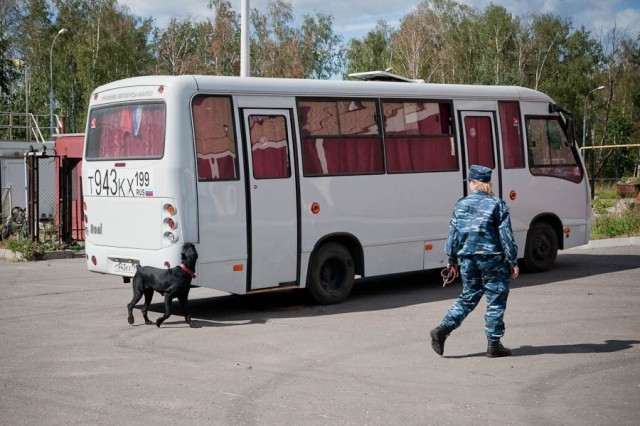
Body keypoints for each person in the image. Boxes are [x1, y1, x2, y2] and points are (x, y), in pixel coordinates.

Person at [430, 165, 519, 358]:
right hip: (492, 259)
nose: (469, 185)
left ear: (474, 183)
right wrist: (512, 260)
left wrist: (452, 259)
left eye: (470, 182)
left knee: (468, 296)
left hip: (467, 259)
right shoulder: (497, 204)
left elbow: (453, 234)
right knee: (496, 299)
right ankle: (494, 344)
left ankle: (443, 329)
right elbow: (506, 235)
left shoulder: (460, 205)